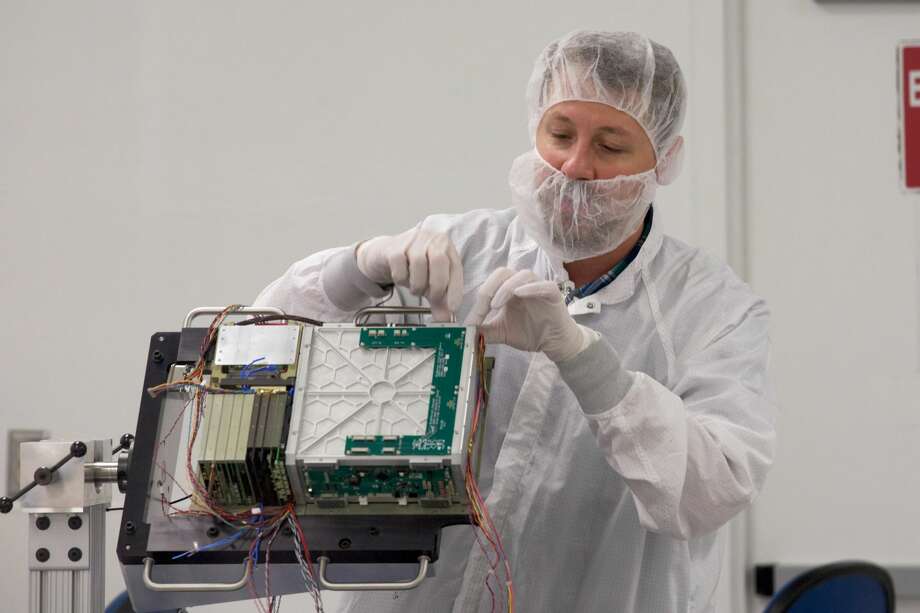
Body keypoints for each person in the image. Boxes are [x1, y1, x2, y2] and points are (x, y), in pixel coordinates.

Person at [254, 30, 776, 613]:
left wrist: (583, 358)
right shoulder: (451, 251)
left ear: (664, 160)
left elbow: (709, 492)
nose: (577, 166)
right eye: (560, 135)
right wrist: (357, 267)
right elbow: (253, 356)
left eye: (610, 144)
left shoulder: (713, 310)